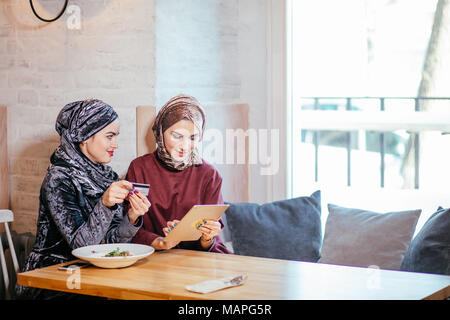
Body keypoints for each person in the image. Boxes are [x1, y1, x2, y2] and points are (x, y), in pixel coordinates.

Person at [16, 99, 151, 300]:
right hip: (52, 277)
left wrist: (130, 219)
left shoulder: (108, 176)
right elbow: (83, 246)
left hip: (90, 273)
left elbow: (109, 244)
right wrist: (105, 204)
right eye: (109, 136)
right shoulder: (58, 179)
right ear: (84, 137)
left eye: (116, 136)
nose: (116, 144)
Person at [126, 94, 230, 253]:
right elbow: (127, 228)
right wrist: (160, 242)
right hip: (152, 255)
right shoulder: (139, 168)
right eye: (177, 136)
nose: (185, 146)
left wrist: (207, 237)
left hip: (200, 258)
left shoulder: (209, 174)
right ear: (160, 132)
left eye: (193, 137)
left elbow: (210, 244)